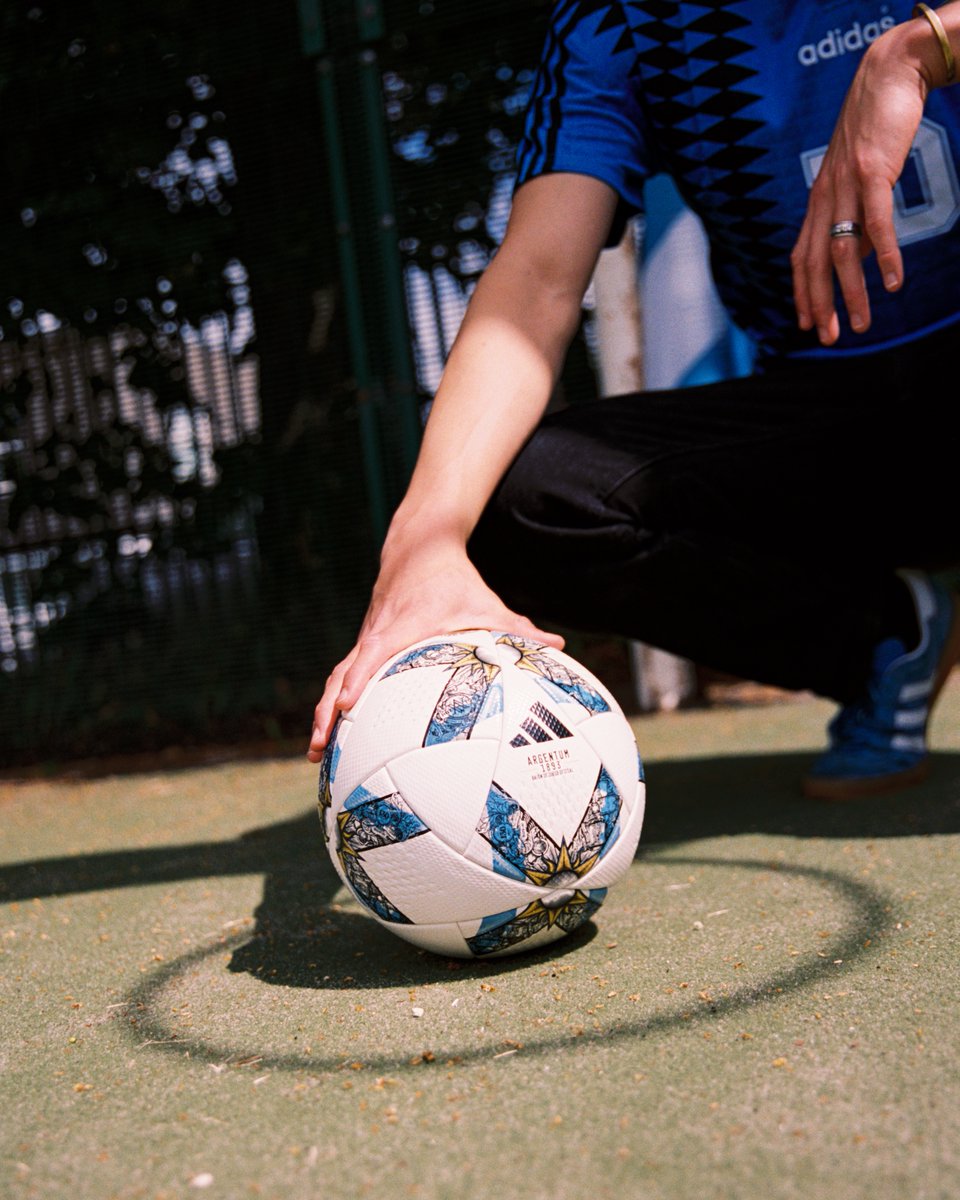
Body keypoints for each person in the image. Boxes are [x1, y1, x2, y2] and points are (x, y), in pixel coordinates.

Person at [310, 1, 960, 798]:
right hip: (834, 418)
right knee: (524, 498)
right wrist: (422, 542)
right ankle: (885, 638)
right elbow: (538, 284)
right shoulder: (618, 21)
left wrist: (923, 46)